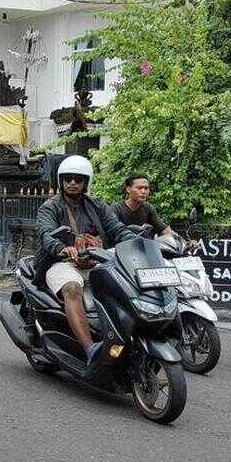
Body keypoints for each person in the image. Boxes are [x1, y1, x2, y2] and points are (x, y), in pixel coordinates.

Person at [34, 155, 136, 362]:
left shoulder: (97, 205)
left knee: (125, 288)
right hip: (61, 262)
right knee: (72, 288)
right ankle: (90, 349)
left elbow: (117, 229)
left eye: (78, 179)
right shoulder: (50, 207)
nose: (72, 183)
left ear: (85, 182)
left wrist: (135, 241)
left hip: (95, 261)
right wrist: (62, 248)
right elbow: (45, 233)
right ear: (61, 181)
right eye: (68, 178)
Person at [111, 173, 178, 240]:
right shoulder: (117, 209)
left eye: (146, 188)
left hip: (146, 247)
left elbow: (163, 229)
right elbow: (112, 231)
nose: (143, 191)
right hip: (122, 247)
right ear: (128, 189)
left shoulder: (148, 208)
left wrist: (181, 241)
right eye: (139, 188)